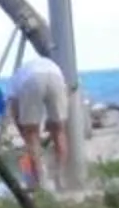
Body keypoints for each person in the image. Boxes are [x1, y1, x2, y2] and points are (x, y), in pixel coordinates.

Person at [6, 50, 72, 194]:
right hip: (56, 77)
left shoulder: (15, 80)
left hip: (32, 81)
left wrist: (24, 134)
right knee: (59, 131)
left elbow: (15, 111)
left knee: (32, 134)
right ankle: (59, 179)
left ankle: (40, 182)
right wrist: (53, 123)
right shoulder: (36, 67)